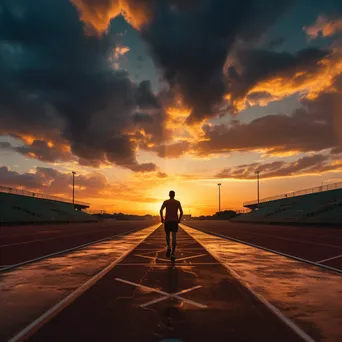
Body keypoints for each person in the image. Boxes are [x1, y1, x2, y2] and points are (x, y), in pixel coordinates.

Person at [160, 190, 183, 260]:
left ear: (169, 195)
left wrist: (162, 218)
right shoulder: (177, 202)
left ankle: (168, 246)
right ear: (174, 195)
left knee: (167, 235)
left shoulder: (166, 202)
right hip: (174, 222)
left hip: (167, 221)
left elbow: (161, 210)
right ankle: (173, 254)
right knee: (174, 237)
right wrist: (179, 219)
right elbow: (181, 212)